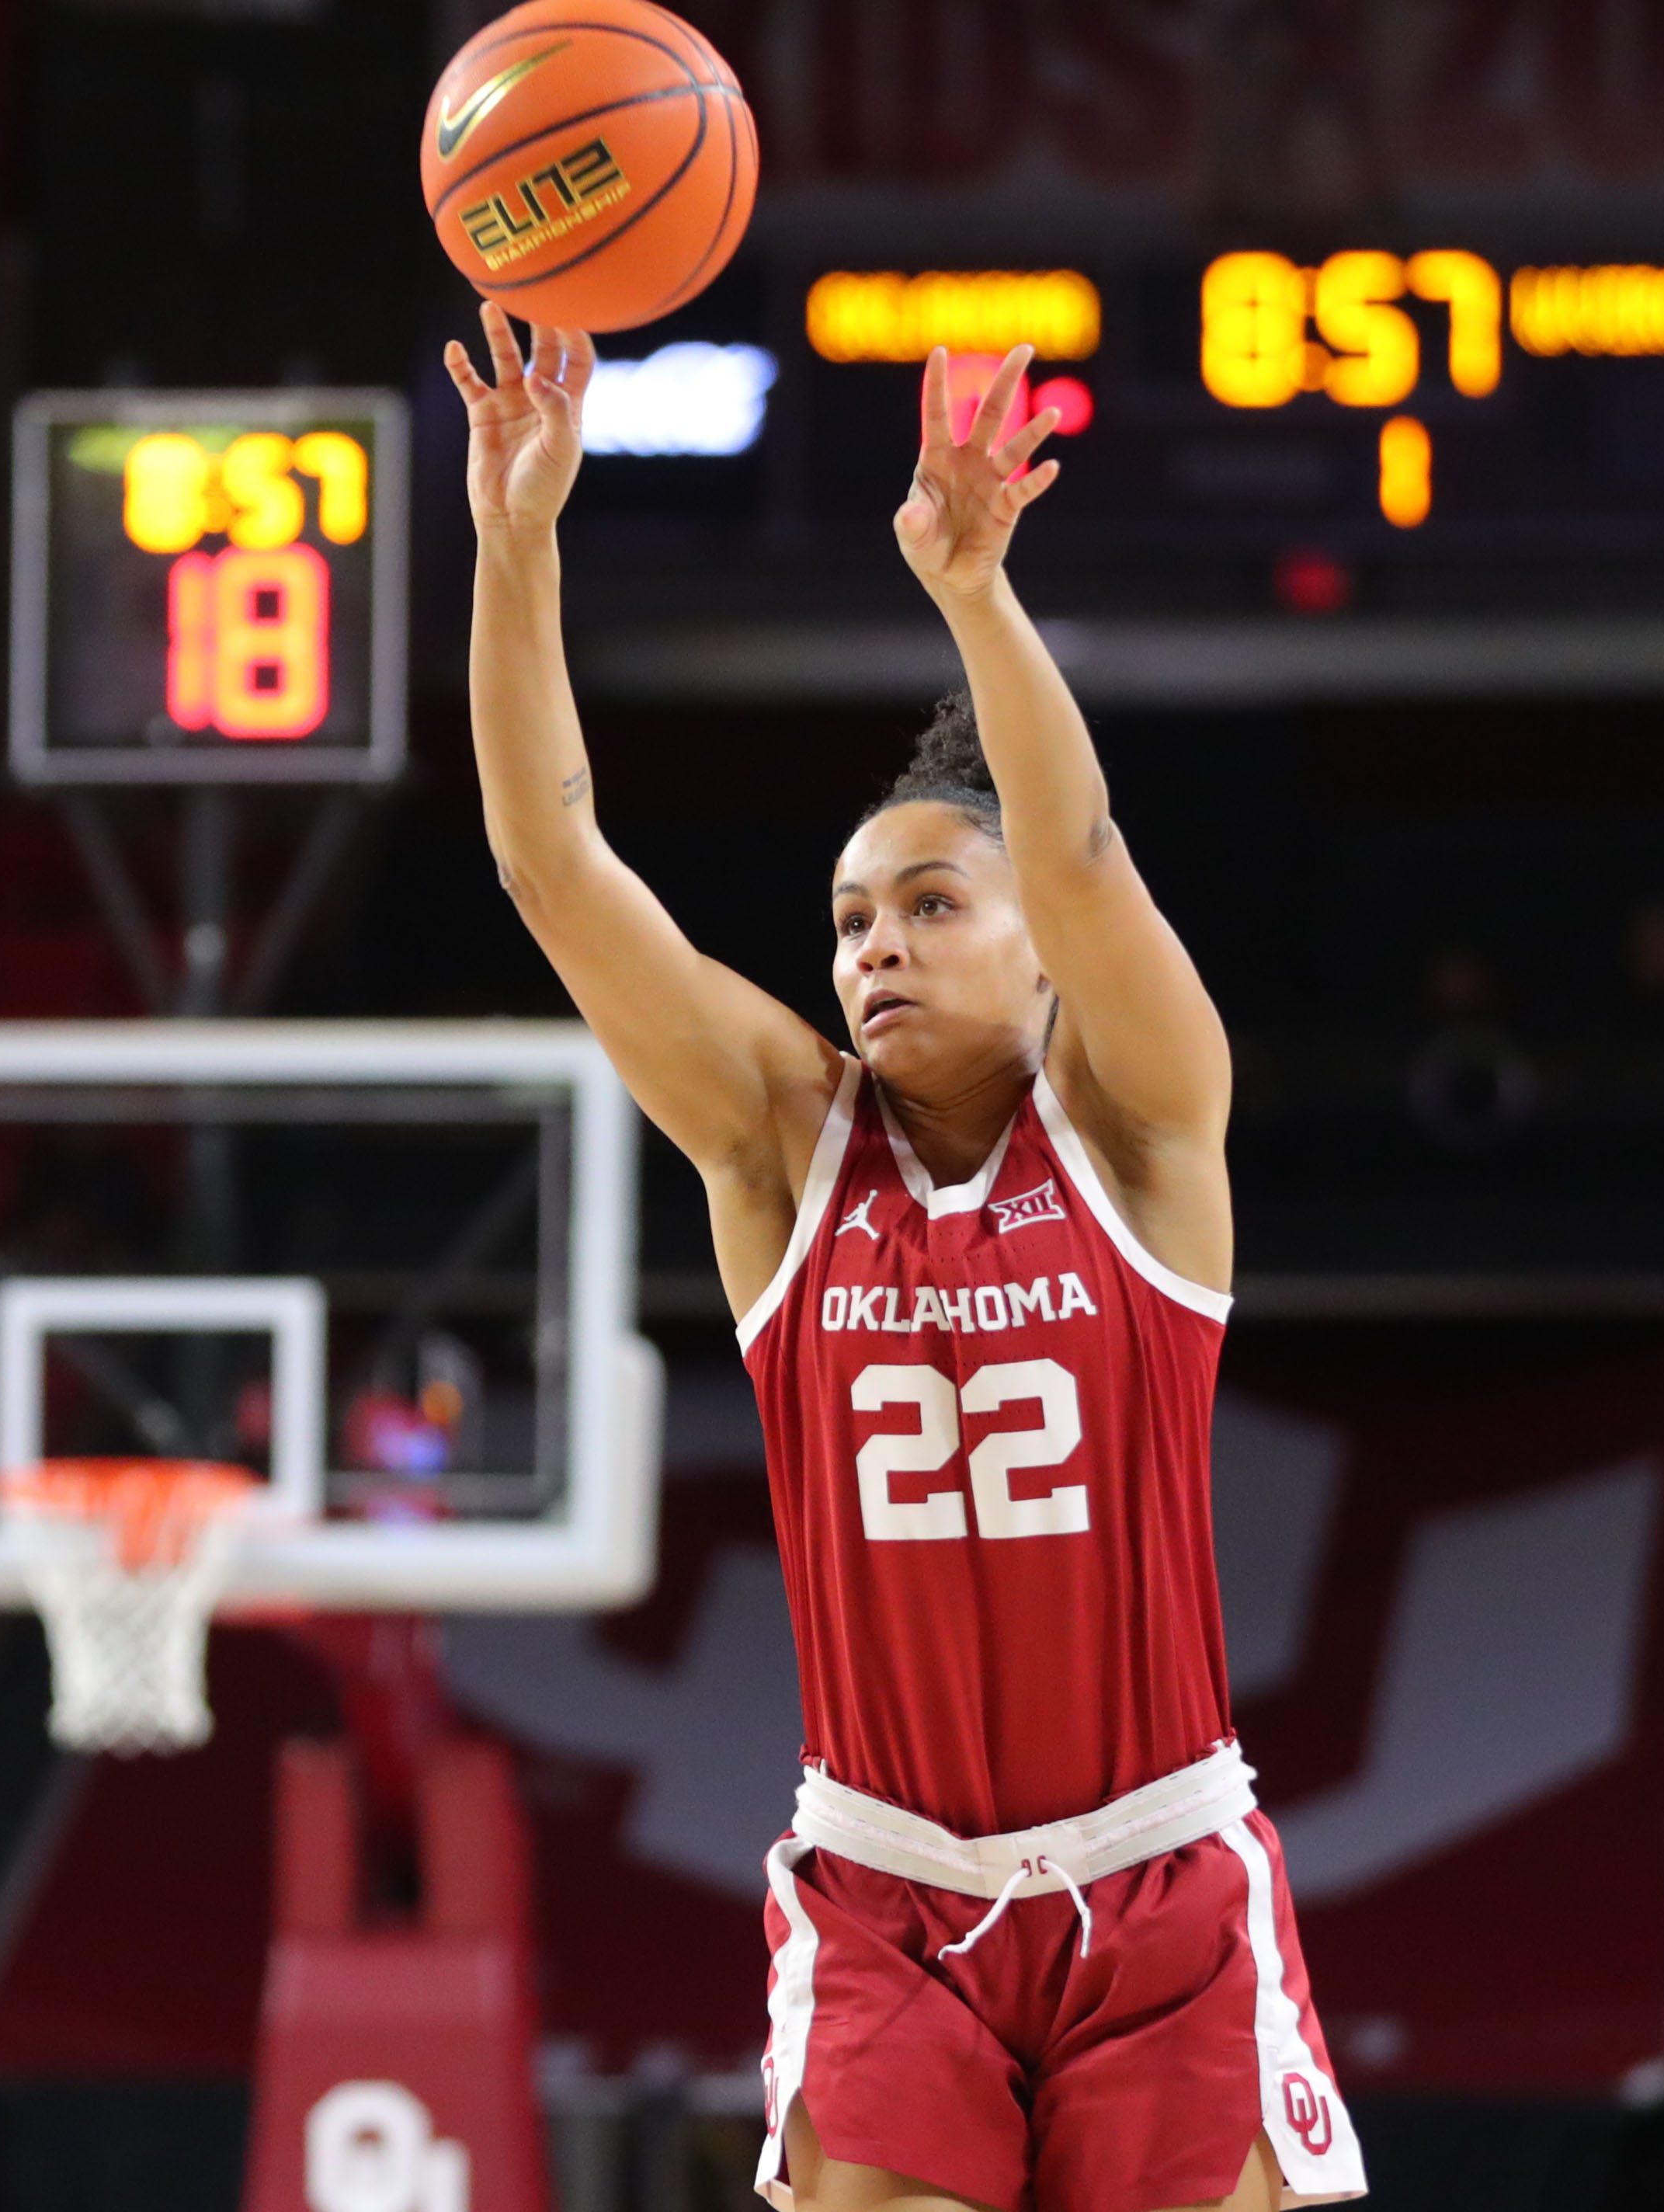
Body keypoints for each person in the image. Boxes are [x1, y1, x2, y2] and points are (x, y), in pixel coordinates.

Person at [446, 311, 1363, 2212]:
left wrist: (970, 595)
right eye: (853, 913)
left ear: (1036, 950)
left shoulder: (1139, 1132)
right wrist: (517, 541)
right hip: (883, 1881)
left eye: (935, 903)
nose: (876, 943)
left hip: (1162, 1871)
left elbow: (1089, 847)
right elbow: (554, 866)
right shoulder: (783, 1143)